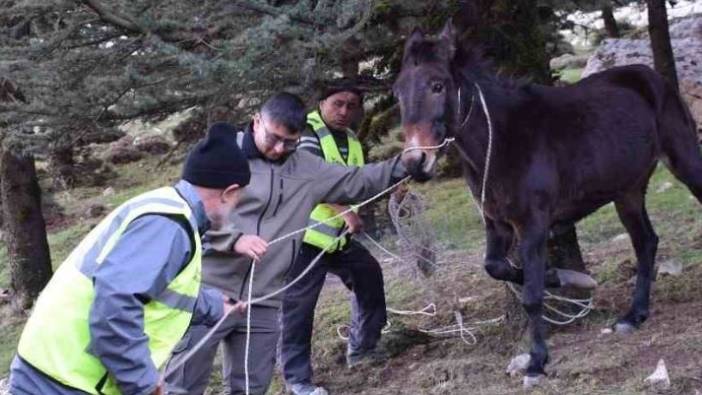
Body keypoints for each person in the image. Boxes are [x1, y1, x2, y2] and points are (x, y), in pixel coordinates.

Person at [164, 92, 411, 395]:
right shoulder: (220, 155)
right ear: (257, 121)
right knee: (182, 387)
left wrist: (405, 163)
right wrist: (233, 240)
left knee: (251, 388)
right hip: (207, 295)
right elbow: (185, 211)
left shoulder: (308, 168)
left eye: (290, 142)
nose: (280, 149)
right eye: (274, 138)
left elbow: (358, 180)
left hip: (264, 303)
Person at [9, 124, 256, 395]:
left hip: (57, 369)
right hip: (64, 380)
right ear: (229, 191)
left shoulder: (166, 209)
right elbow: (115, 306)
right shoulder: (168, 227)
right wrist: (145, 384)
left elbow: (154, 291)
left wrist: (213, 304)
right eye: (239, 197)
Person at [281, 84, 388, 395]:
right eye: (337, 103)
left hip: (337, 240)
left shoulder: (352, 141)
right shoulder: (306, 132)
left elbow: (358, 181)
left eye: (351, 106)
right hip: (303, 240)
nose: (344, 112)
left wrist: (391, 185)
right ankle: (298, 381)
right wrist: (345, 213)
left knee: (369, 276)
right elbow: (311, 179)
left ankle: (363, 349)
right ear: (322, 102)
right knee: (298, 310)